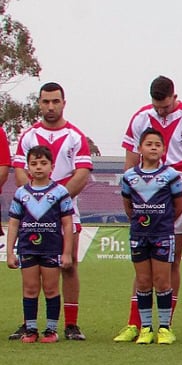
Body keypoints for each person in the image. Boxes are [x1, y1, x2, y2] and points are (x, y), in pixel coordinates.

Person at [115, 76, 182, 344]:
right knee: (142, 264)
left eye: (166, 106)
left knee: (171, 259)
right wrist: (132, 194)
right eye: (157, 106)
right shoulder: (140, 118)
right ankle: (136, 323)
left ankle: (165, 325)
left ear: (174, 96)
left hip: (180, 184)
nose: (161, 111)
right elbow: (130, 162)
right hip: (144, 190)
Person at [10, 82, 92, 341]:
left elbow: (82, 174)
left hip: (66, 211)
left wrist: (56, 200)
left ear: (63, 103)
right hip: (32, 214)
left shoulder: (76, 136)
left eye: (55, 101)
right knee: (30, 266)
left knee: (69, 265)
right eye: (45, 102)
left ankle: (70, 324)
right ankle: (29, 324)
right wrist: (37, 202)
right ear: (39, 104)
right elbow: (20, 171)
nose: (50, 106)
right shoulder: (28, 136)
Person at [119, 129, 182, 345]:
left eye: (158, 144)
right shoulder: (129, 177)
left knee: (162, 280)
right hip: (139, 234)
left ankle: (164, 328)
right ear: (140, 149)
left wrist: (163, 223)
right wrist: (139, 221)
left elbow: (179, 206)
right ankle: (145, 328)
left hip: (163, 234)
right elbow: (128, 206)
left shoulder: (171, 175)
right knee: (144, 281)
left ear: (164, 149)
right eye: (149, 144)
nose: (154, 147)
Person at [5, 146, 76, 343]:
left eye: (43, 163)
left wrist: (67, 252)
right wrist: (10, 252)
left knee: (51, 288)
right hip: (27, 249)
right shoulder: (21, 193)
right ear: (28, 168)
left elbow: (67, 223)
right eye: (34, 164)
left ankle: (51, 330)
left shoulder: (60, 192)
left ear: (52, 167)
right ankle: (31, 330)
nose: (38, 168)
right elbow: (14, 223)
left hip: (51, 249)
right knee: (30, 288)